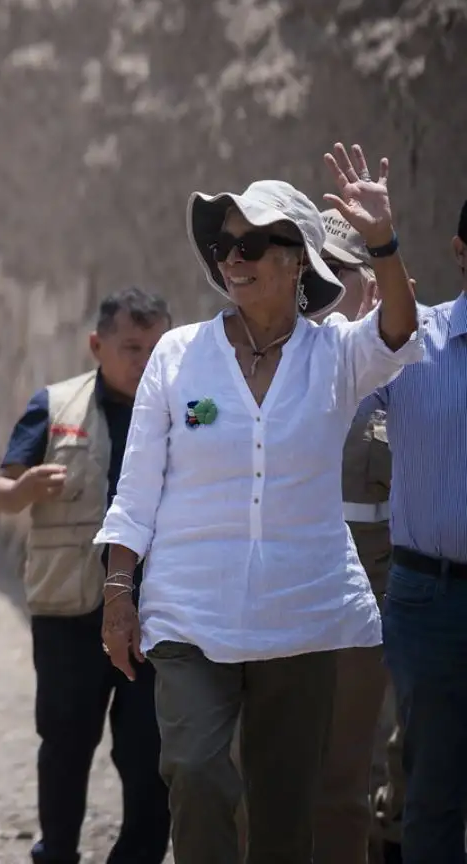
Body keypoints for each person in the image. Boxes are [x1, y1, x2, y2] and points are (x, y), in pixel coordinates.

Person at [97, 147, 420, 864]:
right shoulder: (179, 356)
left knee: (282, 813)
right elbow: (137, 486)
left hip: (301, 617)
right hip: (189, 614)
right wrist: (119, 592)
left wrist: (383, 243)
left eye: (250, 244)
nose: (231, 259)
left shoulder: (334, 357)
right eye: (223, 245)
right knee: (198, 772)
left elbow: (399, 329)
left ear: (297, 259)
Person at [0, 288, 173, 864]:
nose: (145, 361)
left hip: (156, 616)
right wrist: (23, 490)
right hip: (69, 612)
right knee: (66, 746)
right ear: (97, 346)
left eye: (157, 348)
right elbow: (0, 492)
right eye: (131, 348)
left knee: (151, 754)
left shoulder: (185, 410)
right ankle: (59, 851)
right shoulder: (54, 405)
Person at [365, 195, 467, 864]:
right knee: (433, 792)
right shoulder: (413, 342)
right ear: (460, 251)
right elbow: (323, 391)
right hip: (433, 604)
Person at [314, 209, 402, 864]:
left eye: (342, 271)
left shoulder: (396, 357)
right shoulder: (264, 355)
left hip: (369, 584)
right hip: (280, 574)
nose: (326, 284)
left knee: (349, 774)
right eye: (318, 268)